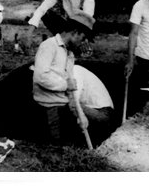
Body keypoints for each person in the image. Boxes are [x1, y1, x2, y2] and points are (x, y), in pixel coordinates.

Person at [32, 12, 115, 145]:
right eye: (83, 39)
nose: (82, 43)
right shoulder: (49, 46)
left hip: (63, 106)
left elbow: (71, 88)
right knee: (54, 145)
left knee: (69, 142)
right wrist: (65, 85)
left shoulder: (69, 54)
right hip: (49, 107)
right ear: (75, 32)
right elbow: (40, 76)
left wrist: (81, 115)